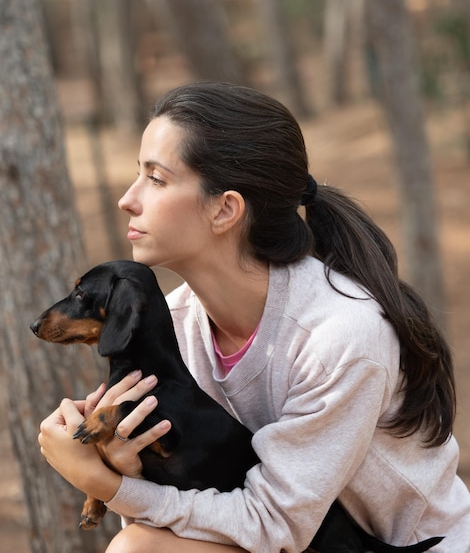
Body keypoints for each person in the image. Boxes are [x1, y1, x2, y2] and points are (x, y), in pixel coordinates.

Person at [38, 81, 470, 552]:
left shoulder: (338, 338)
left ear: (226, 209)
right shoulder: (178, 324)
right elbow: (189, 515)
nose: (128, 199)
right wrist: (133, 468)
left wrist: (112, 488)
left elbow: (275, 526)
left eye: (156, 179)